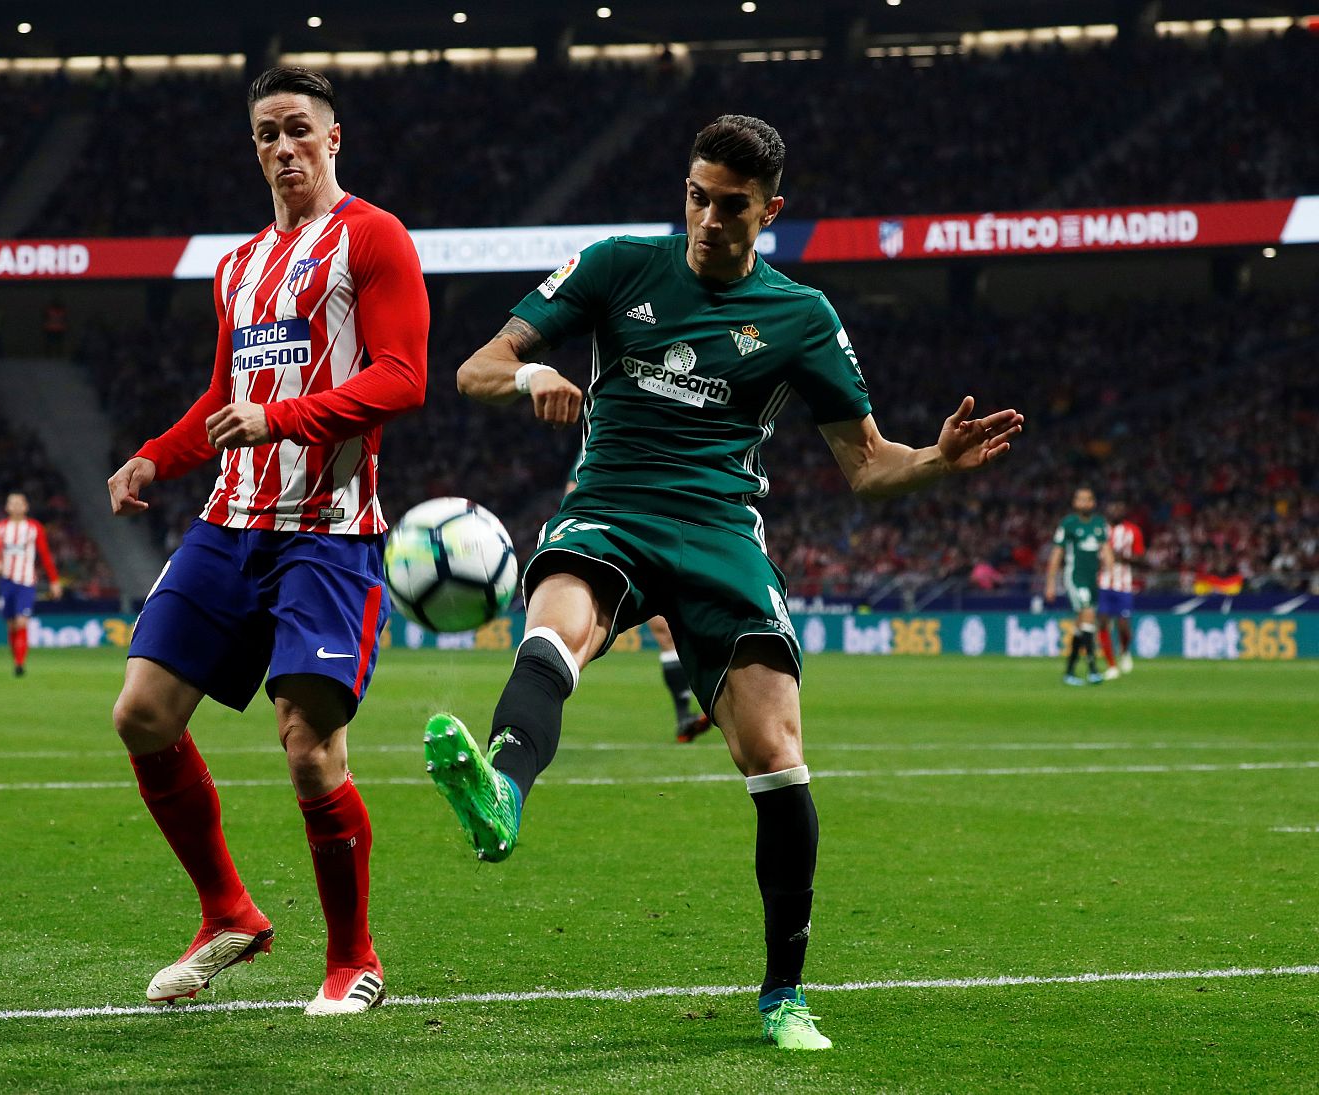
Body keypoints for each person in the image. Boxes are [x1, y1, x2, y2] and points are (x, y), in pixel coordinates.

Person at [421, 115, 1023, 1052]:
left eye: (731, 206)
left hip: (719, 532)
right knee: (554, 628)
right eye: (697, 197)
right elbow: (475, 368)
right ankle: (502, 789)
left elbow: (869, 466)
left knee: (774, 749)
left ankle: (785, 992)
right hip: (611, 505)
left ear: (769, 211)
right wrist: (533, 372)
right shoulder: (617, 265)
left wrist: (939, 460)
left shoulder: (801, 315)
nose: (708, 218)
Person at [105, 66, 427, 1016]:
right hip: (228, 521)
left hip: (327, 531)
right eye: (265, 134)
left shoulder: (373, 236)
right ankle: (228, 913)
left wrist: (280, 418)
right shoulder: (238, 264)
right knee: (142, 713)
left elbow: (403, 376)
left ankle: (354, 958)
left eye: (297, 130)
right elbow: (223, 397)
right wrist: (154, 457)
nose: (283, 147)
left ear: (333, 139)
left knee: (309, 750)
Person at [565, 451, 708, 742]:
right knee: (580, 636)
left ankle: (684, 716)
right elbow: (572, 493)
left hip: (647, 541)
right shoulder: (596, 445)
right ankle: (543, 686)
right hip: (610, 544)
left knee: (664, 630)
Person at [0, 492, 63, 676]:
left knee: (22, 621)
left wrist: (54, 581)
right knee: (11, 624)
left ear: (26, 506)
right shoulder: (0, 528)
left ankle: (20, 663)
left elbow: (45, 555)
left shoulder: (34, 528)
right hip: (6, 581)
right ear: (7, 507)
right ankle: (16, 658)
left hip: (26, 582)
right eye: (12, 503)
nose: (16, 506)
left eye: (19, 503)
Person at [1044, 486, 1114, 686]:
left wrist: (1110, 572)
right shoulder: (1069, 524)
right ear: (1075, 503)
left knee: (1080, 624)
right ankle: (1092, 669)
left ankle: (1069, 671)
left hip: (1092, 579)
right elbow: (1057, 554)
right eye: (1080, 499)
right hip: (1075, 578)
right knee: (1088, 616)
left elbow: (1106, 550)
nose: (1084, 503)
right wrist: (1050, 583)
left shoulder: (1099, 524)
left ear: (1093, 502)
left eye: (1088, 499)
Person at [1096, 497, 1144, 680]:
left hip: (1123, 585)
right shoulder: (1099, 529)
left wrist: (1121, 557)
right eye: (1113, 507)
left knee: (1123, 625)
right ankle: (1111, 666)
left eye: (1119, 508)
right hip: (1102, 584)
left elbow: (1140, 558)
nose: (1116, 511)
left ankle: (1124, 651)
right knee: (1102, 622)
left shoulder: (1133, 531)